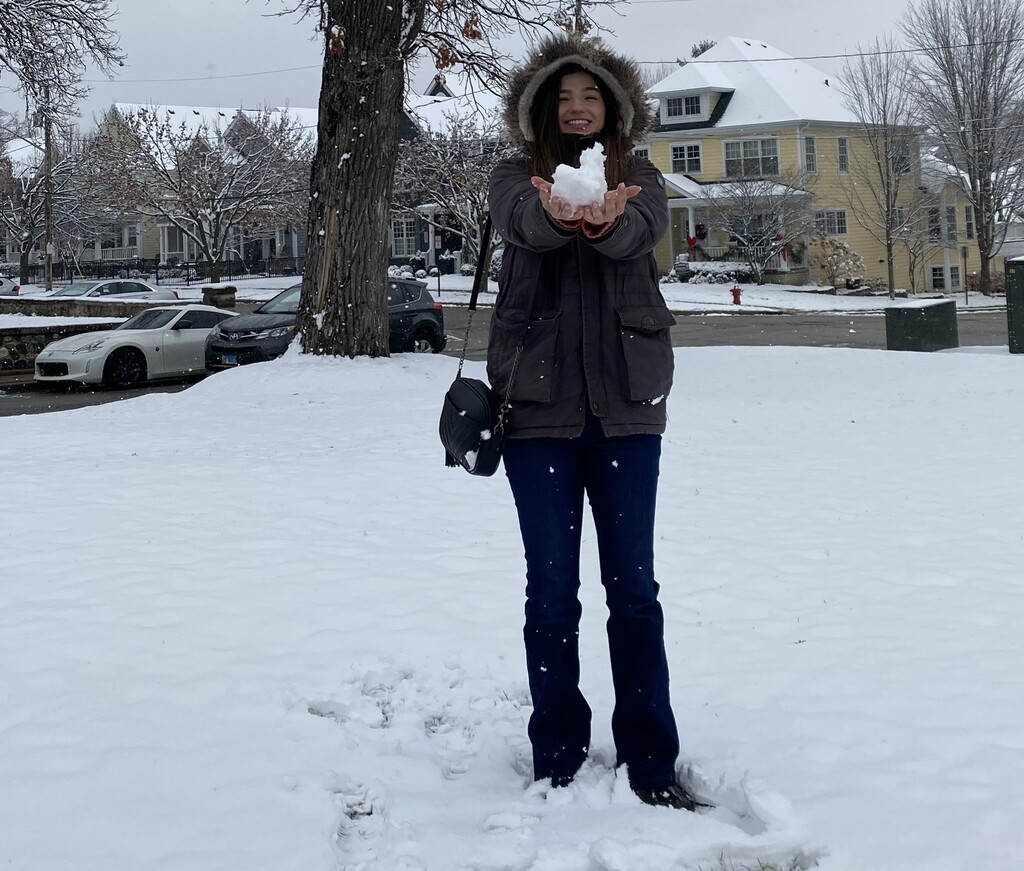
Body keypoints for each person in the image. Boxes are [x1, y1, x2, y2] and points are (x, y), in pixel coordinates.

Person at [488, 34, 695, 810]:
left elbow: (642, 234)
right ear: (543, 109)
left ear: (613, 109)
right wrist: (560, 212)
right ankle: (558, 753)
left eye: (592, 97)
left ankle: (650, 757)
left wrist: (607, 222)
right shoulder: (514, 176)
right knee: (551, 592)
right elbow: (523, 224)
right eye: (564, 97)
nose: (578, 108)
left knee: (633, 589)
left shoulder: (638, 176)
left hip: (628, 413)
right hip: (537, 413)